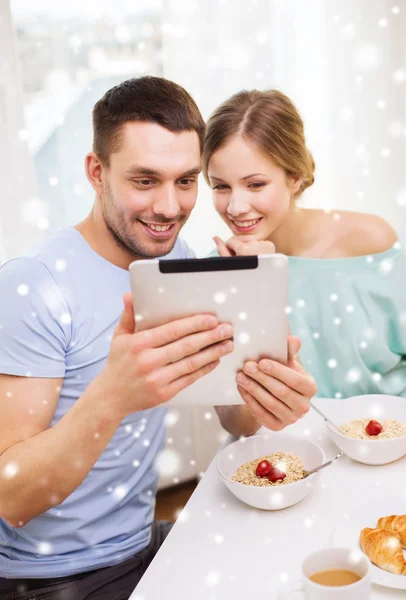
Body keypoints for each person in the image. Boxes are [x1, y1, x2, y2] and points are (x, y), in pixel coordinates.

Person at [0, 77, 316, 600]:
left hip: (144, 543)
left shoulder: (177, 263)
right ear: (96, 173)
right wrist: (113, 396)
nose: (170, 208)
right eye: (145, 181)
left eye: (187, 180)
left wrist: (261, 366)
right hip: (54, 578)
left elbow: (234, 417)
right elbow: (12, 496)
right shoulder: (34, 285)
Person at [203, 88, 406, 400]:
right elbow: (238, 423)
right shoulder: (218, 270)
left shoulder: (370, 242)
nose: (235, 207)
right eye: (220, 186)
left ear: (294, 176)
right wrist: (258, 280)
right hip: (282, 446)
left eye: (255, 184)